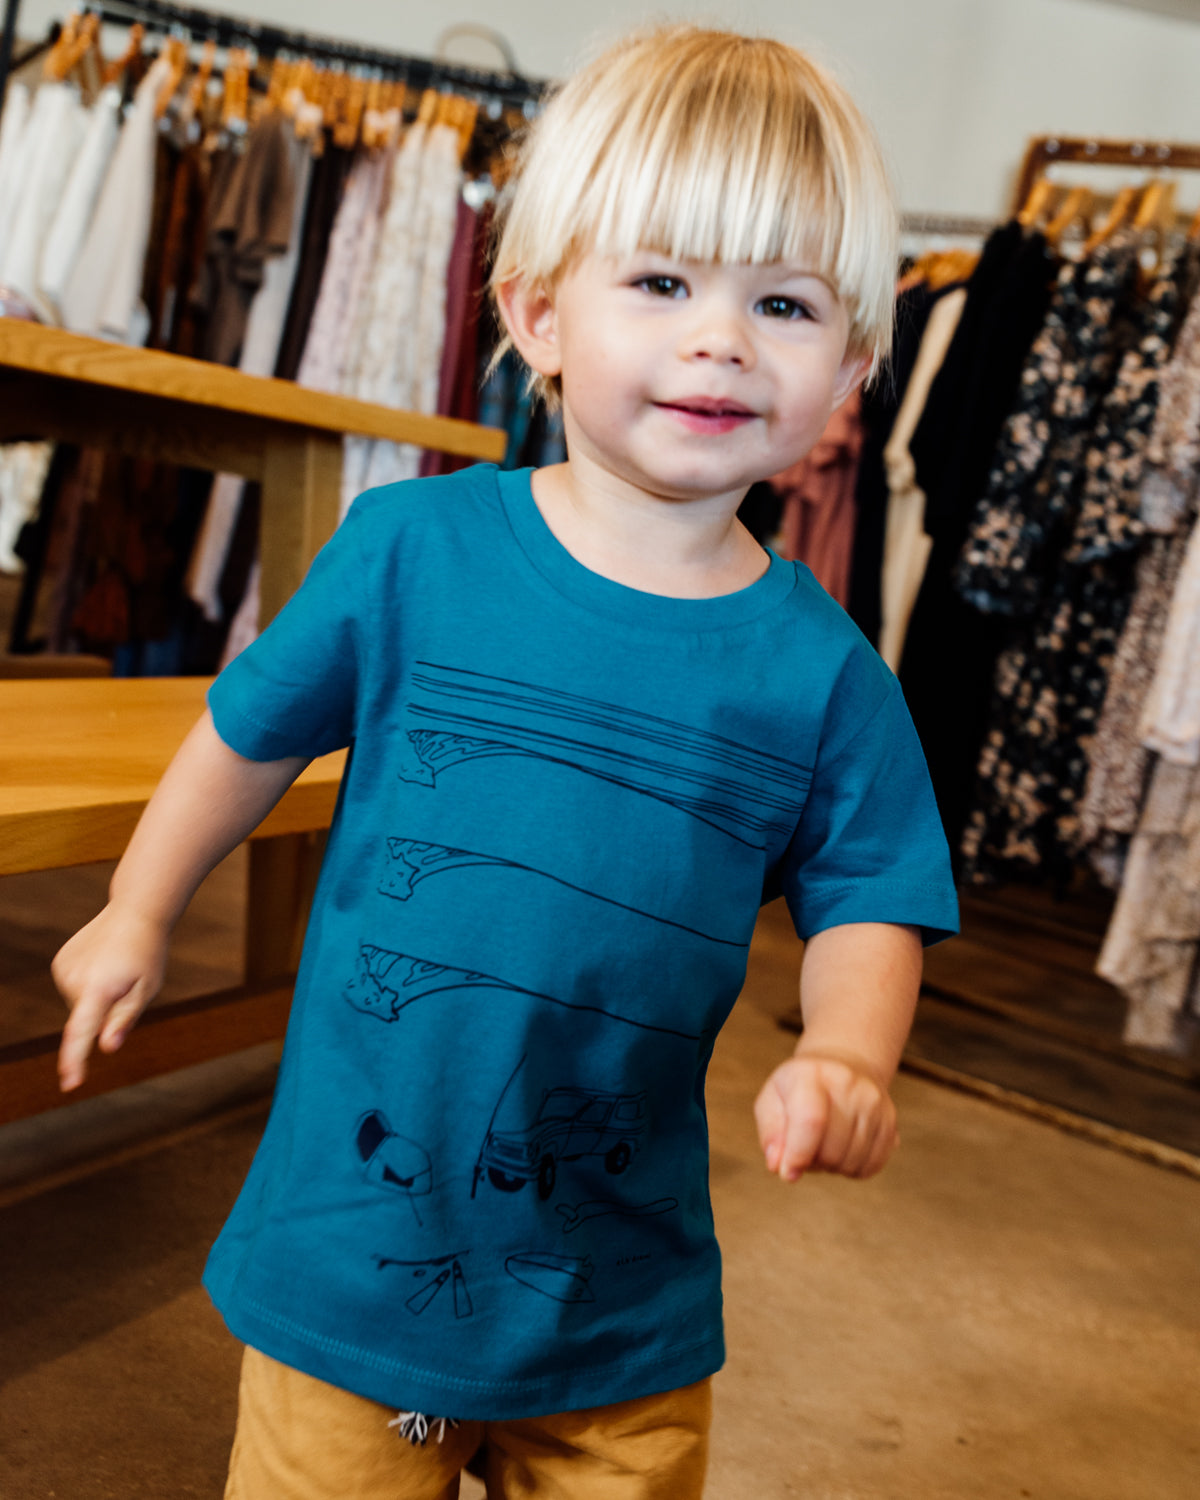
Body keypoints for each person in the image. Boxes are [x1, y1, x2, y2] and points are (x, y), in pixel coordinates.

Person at [51, 25, 958, 1500]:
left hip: (620, 1301)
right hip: (354, 1254)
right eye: (662, 282)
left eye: (781, 302)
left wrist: (846, 1054)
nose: (720, 338)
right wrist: (137, 909)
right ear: (537, 314)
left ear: (851, 369)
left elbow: (871, 895)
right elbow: (248, 732)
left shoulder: (828, 676)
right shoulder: (412, 552)